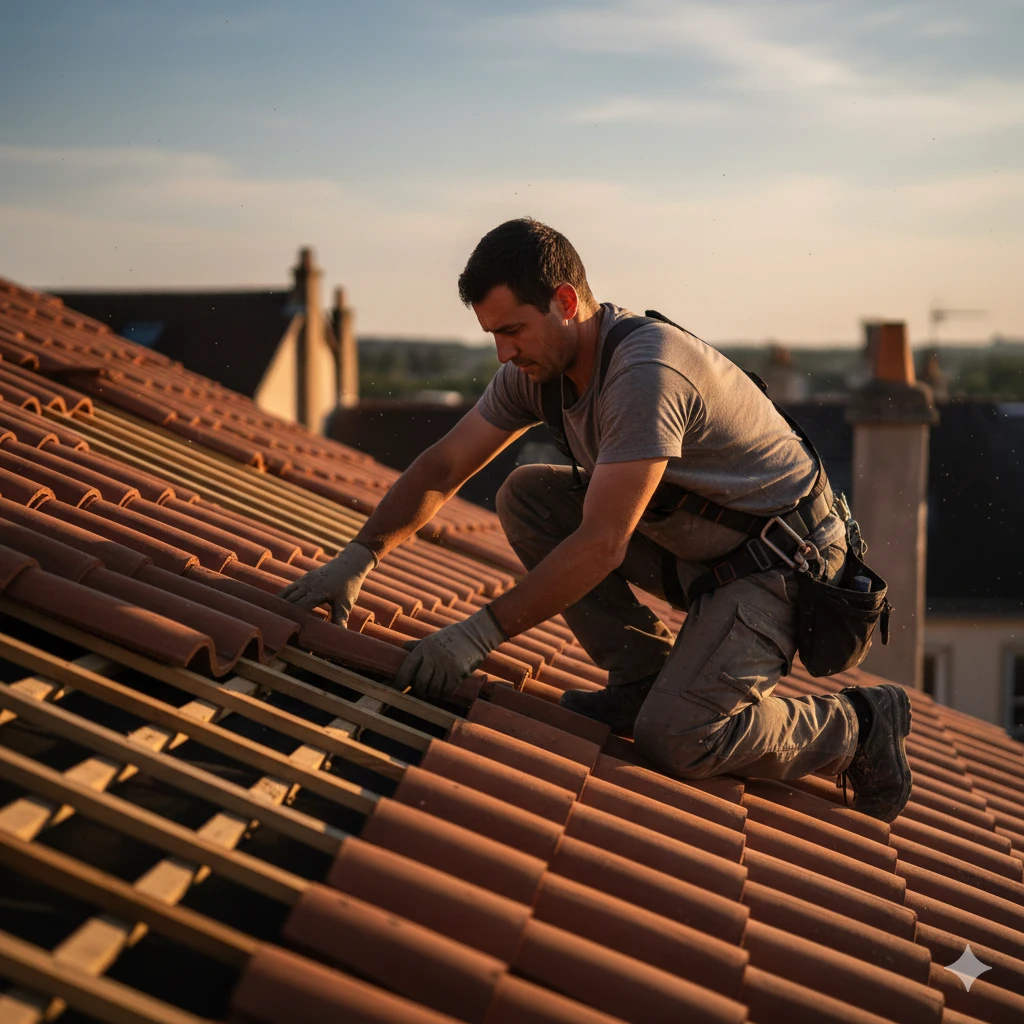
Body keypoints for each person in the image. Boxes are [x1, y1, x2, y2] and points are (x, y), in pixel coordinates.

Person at [280, 218, 912, 823]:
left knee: (677, 737)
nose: (504, 352)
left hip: (782, 563)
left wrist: (476, 636)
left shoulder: (644, 374)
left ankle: (858, 725)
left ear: (565, 301)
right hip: (703, 548)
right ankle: (641, 677)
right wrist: (361, 554)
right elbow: (446, 464)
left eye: (514, 330)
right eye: (492, 335)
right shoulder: (537, 371)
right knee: (528, 494)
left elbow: (603, 543)